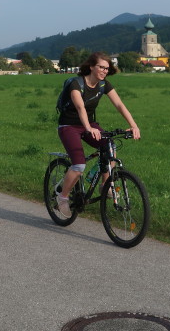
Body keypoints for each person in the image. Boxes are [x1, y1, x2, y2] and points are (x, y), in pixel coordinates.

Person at [56, 52, 140, 218]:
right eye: (101, 67)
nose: (104, 71)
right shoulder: (76, 84)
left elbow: (119, 105)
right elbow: (80, 107)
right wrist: (88, 128)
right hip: (69, 126)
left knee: (110, 146)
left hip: (90, 124)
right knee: (79, 166)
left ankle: (105, 185)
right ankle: (63, 197)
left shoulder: (103, 84)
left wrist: (133, 125)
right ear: (91, 67)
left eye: (107, 68)